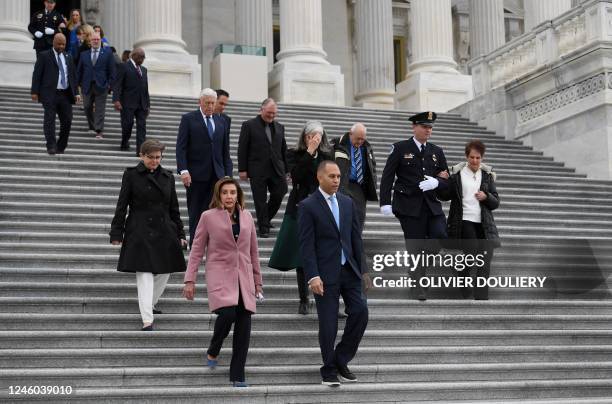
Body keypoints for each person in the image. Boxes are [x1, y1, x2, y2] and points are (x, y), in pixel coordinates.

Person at [183, 177, 263, 387]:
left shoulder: (247, 217)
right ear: (219, 195)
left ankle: (238, 375)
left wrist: (258, 282)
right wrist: (189, 279)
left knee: (244, 325)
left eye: (233, 192)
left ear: (238, 195)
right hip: (219, 273)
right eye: (225, 192)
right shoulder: (208, 217)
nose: (229, 196)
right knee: (227, 314)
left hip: (243, 276)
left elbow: (253, 252)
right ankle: (214, 348)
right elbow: (197, 250)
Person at [298, 161, 369, 387]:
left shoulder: (348, 203)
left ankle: (340, 358)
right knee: (328, 324)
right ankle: (328, 369)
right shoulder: (308, 206)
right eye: (332, 176)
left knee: (361, 312)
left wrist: (364, 270)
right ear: (320, 178)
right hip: (324, 275)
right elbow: (306, 245)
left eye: (338, 176)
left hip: (349, 270)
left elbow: (356, 238)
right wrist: (312, 276)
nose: (337, 180)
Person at [109, 139, 188, 331]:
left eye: (158, 157)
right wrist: (116, 232)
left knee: (166, 270)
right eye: (150, 157)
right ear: (141, 156)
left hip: (165, 229)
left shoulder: (168, 177)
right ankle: (147, 319)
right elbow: (122, 205)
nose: (154, 161)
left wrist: (180, 232)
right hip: (139, 229)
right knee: (144, 272)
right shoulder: (131, 175)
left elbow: (174, 208)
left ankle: (150, 304)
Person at [379, 111, 449, 300]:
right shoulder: (400, 148)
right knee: (415, 247)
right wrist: (385, 202)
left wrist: (437, 183)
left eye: (430, 127)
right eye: (425, 127)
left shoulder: (437, 151)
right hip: (409, 206)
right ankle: (417, 284)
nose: (428, 130)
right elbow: (387, 176)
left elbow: (446, 180)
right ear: (414, 127)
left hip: (432, 205)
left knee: (440, 236)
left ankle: (418, 276)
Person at [268, 121, 333, 315]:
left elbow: (327, 179)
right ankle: (304, 298)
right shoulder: (294, 154)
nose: (313, 139)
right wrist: (309, 152)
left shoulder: (327, 156)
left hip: (323, 208)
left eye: (317, 136)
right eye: (310, 136)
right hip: (300, 207)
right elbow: (297, 176)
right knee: (301, 255)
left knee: (325, 255)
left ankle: (326, 299)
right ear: (304, 137)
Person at [438, 140, 500, 300]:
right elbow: (443, 196)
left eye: (478, 158)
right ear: (467, 157)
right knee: (471, 255)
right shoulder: (457, 176)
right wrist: (441, 181)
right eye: (472, 157)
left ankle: (481, 297)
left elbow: (496, 202)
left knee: (485, 260)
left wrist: (487, 197)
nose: (475, 161)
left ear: (482, 158)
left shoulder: (487, 176)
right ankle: (466, 290)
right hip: (464, 221)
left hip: (484, 224)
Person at [176, 88, 233, 247]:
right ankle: (196, 245)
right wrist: (184, 170)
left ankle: (214, 244)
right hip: (196, 175)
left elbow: (225, 151)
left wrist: (228, 175)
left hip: (218, 175)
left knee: (217, 212)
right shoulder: (188, 119)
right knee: (196, 212)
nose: (210, 106)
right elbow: (181, 147)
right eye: (207, 103)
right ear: (199, 102)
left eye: (212, 103)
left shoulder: (222, 121)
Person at [238, 98, 288, 238]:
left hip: (276, 169)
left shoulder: (280, 127)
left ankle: (264, 219)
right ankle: (264, 227)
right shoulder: (249, 125)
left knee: (281, 191)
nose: (271, 116)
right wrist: (242, 169)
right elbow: (243, 148)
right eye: (269, 112)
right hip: (257, 168)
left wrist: (287, 170)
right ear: (262, 109)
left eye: (274, 113)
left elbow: (283, 149)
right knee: (259, 199)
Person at [31, 33, 79, 155]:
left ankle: (61, 146)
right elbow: (37, 74)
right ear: (53, 42)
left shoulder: (68, 57)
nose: (61, 46)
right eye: (59, 44)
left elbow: (72, 76)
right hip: (49, 94)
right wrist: (34, 91)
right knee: (50, 119)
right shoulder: (44, 56)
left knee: (67, 121)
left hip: (65, 95)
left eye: (63, 44)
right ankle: (51, 145)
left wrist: (77, 93)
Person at [77, 32, 116, 139]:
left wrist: (109, 85)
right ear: (90, 41)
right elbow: (79, 71)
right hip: (86, 85)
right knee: (87, 106)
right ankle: (92, 126)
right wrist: (77, 85)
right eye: (93, 39)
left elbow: (112, 71)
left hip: (102, 86)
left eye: (97, 39)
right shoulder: (84, 54)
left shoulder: (107, 54)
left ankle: (99, 130)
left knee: (100, 109)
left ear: (101, 41)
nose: (95, 41)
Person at [113, 47, 150, 155]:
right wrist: (116, 100)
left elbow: (145, 88)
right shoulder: (123, 66)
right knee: (127, 125)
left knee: (142, 127)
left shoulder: (144, 70)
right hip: (127, 102)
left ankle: (141, 151)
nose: (142, 59)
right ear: (133, 56)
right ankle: (125, 142)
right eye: (140, 57)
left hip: (141, 104)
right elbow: (117, 84)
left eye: (143, 57)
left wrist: (147, 105)